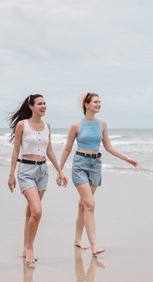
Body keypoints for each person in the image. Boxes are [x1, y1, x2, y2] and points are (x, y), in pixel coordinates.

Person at [59, 92, 139, 255]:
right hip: (80, 164)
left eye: (100, 102)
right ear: (86, 105)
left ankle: (77, 240)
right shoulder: (76, 125)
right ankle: (94, 245)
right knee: (90, 204)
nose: (99, 104)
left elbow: (108, 146)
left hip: (96, 165)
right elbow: (67, 148)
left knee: (84, 204)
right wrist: (60, 170)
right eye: (95, 102)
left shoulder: (102, 124)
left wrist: (126, 158)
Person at [8, 94, 67, 264]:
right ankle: (30, 248)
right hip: (26, 171)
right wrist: (11, 174)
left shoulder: (47, 125)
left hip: (42, 171)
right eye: (40, 104)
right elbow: (15, 150)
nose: (44, 106)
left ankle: (25, 246)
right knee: (37, 211)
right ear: (31, 107)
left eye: (45, 103)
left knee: (31, 212)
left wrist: (60, 171)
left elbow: (49, 151)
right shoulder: (22, 125)